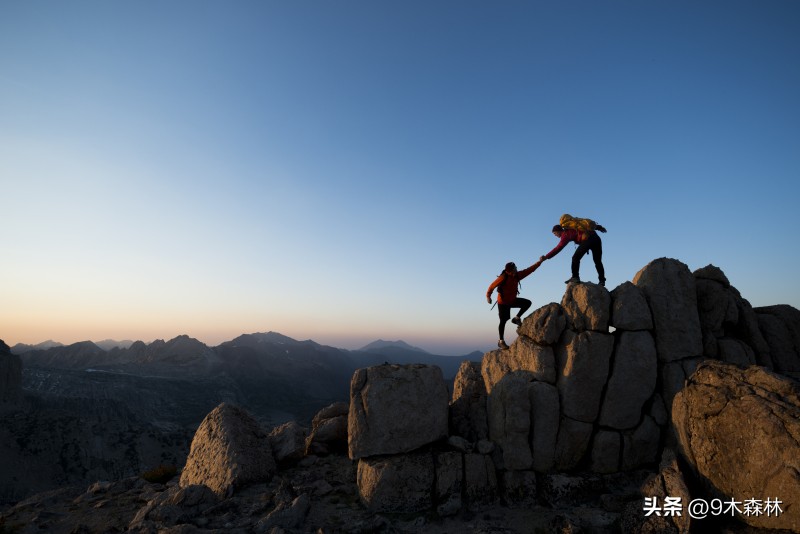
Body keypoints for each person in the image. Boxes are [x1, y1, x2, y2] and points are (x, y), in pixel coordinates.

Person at [486, 259, 543, 350]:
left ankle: (516, 319)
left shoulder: (517, 276)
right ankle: (501, 341)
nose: (516, 269)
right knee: (503, 321)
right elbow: (492, 286)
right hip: (503, 302)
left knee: (527, 303)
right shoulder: (503, 277)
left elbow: (529, 270)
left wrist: (539, 262)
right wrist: (488, 297)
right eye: (515, 268)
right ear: (510, 271)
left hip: (512, 300)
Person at [540, 222, 607, 286]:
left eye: (554, 233)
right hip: (596, 238)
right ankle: (602, 281)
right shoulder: (573, 227)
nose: (555, 235)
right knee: (598, 261)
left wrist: (546, 257)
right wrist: (599, 227)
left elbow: (558, 248)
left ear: (558, 231)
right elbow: (587, 225)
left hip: (588, 240)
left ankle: (575, 277)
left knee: (575, 258)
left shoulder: (565, 234)